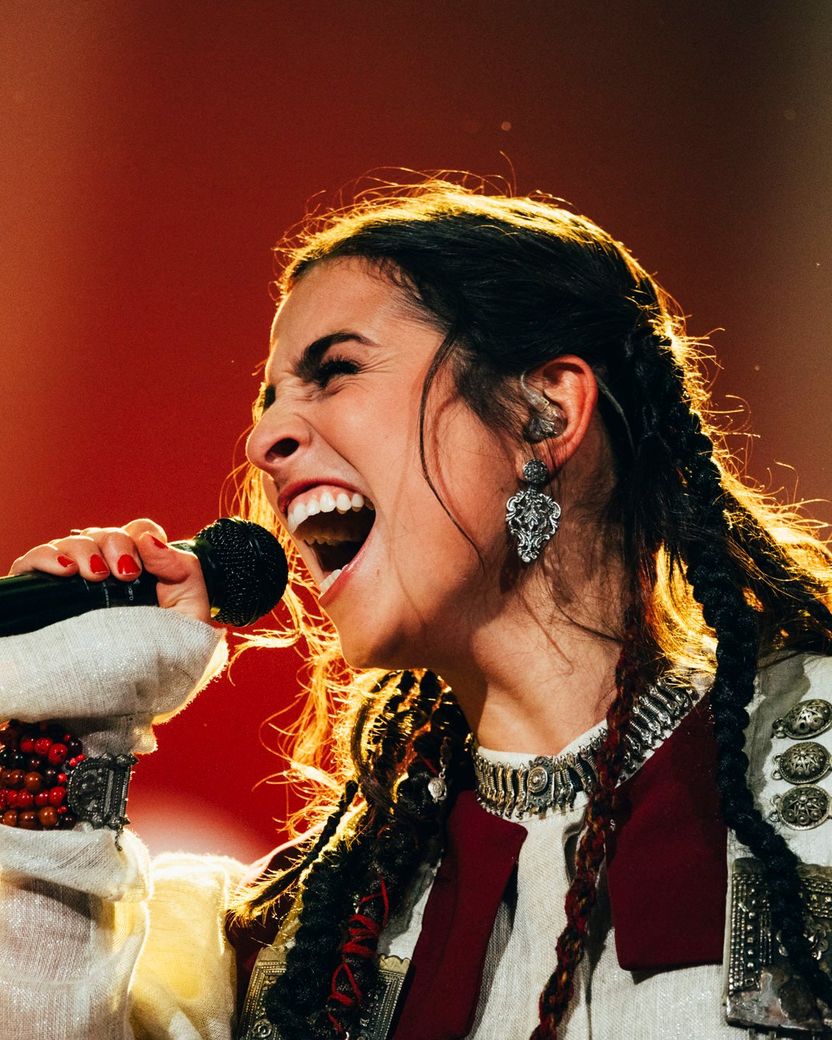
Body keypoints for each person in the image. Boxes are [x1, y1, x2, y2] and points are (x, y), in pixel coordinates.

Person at [2, 177, 832, 1040]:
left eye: (336, 371)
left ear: (545, 410)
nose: (261, 441)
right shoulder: (313, 939)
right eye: (269, 401)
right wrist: (76, 716)